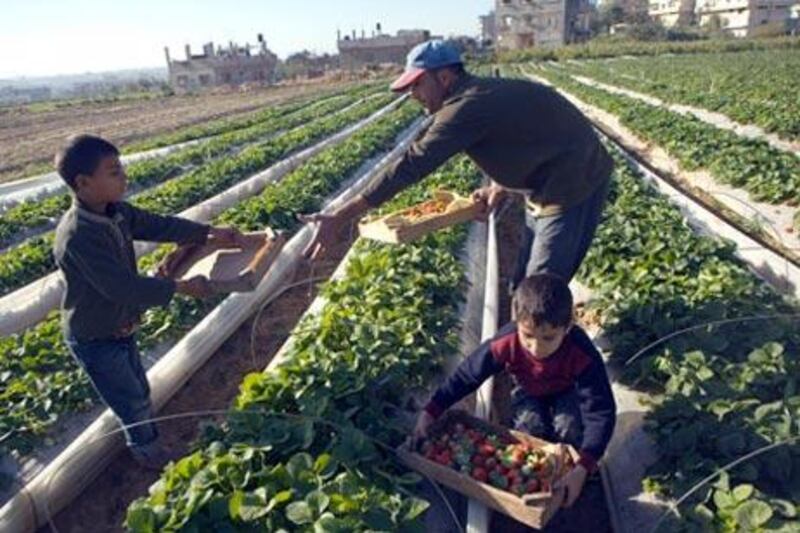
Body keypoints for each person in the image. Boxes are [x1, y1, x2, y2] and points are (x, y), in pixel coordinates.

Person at [301, 40, 613, 285]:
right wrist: (498, 186)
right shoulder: (477, 96)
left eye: (417, 84)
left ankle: (539, 352)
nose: (412, 94)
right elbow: (517, 138)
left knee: (542, 284)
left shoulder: (464, 108)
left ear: (445, 77)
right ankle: (520, 336)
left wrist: (339, 217)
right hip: (550, 175)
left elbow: (412, 164)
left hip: (573, 180)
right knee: (524, 280)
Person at [53, 134, 245, 469]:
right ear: (83, 183)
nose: (123, 176)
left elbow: (158, 225)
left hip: (119, 327)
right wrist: (181, 287)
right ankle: (148, 452)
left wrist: (207, 233)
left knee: (137, 389)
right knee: (130, 400)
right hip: (95, 336)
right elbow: (121, 288)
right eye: (113, 172)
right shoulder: (78, 236)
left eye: (121, 168)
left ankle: (146, 436)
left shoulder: (117, 212)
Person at [412, 273, 616, 506]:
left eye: (548, 338)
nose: (536, 347)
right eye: (527, 336)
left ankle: (572, 478)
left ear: (567, 327)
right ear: (516, 321)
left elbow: (600, 410)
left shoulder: (582, 353)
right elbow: (467, 375)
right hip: (528, 388)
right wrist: (431, 411)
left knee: (568, 429)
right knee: (530, 430)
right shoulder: (506, 342)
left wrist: (584, 465)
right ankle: (540, 480)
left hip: (568, 391)